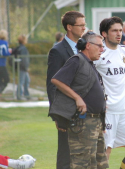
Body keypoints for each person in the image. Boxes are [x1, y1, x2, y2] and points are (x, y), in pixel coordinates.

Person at [49, 31, 109, 169]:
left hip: (96, 121)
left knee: (100, 163)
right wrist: (77, 98)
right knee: (83, 163)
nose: (102, 49)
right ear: (88, 45)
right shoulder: (77, 60)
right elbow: (56, 80)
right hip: (83, 122)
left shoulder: (90, 63)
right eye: (99, 46)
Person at [94, 16, 125, 169]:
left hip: (123, 110)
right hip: (107, 111)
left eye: (120, 30)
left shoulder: (124, 51)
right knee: (104, 154)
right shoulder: (99, 54)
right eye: (114, 30)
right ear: (104, 34)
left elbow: (122, 77)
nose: (119, 33)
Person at [46, 11, 86, 169]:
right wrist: (57, 114)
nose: (84, 28)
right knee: (66, 154)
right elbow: (52, 84)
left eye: (84, 24)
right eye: (81, 25)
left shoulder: (85, 48)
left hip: (86, 109)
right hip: (66, 111)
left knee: (84, 154)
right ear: (69, 27)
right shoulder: (58, 51)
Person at [16, 34, 30, 100]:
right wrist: (26, 68)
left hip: (22, 67)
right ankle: (19, 96)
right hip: (22, 68)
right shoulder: (23, 49)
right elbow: (24, 59)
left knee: (27, 80)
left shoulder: (19, 48)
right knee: (21, 82)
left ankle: (27, 95)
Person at [0, 29, 11, 96]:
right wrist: (9, 52)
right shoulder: (5, 43)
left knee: (0, 80)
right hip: (2, 64)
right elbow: (5, 53)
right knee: (7, 79)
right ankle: (1, 91)